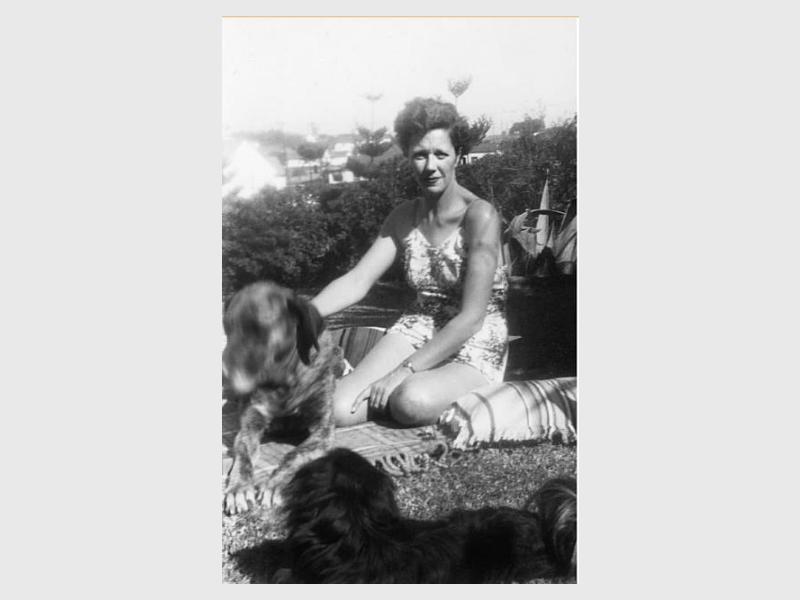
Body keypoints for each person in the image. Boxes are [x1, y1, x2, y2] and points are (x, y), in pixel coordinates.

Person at [311, 97, 508, 427]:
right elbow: (358, 280)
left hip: (474, 339)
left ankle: (443, 387)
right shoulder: (404, 216)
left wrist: (404, 370)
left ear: (458, 155)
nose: (430, 166)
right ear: (407, 156)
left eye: (440, 154)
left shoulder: (480, 216)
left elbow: (472, 318)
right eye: (419, 155)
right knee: (339, 410)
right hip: (418, 327)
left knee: (410, 401)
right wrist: (301, 314)